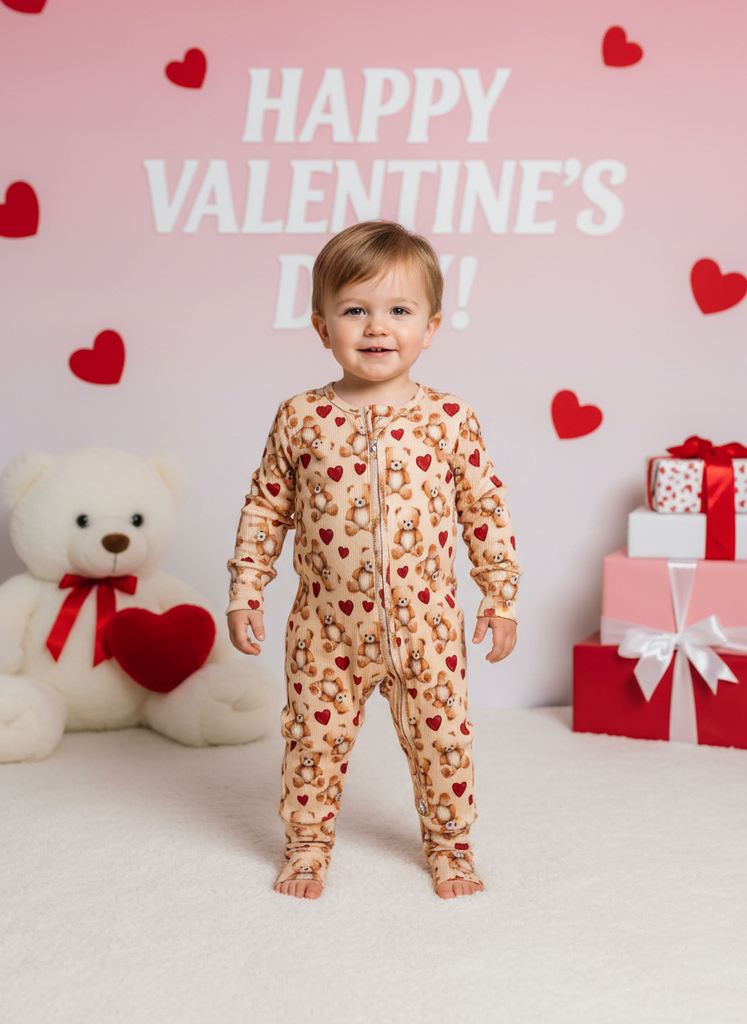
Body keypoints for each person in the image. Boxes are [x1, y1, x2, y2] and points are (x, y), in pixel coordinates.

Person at [227, 220, 521, 900]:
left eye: (399, 311)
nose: (377, 327)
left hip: (428, 627)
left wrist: (500, 596)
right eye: (355, 310)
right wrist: (246, 590)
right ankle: (306, 846)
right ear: (321, 326)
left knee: (443, 742)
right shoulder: (301, 417)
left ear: (431, 326)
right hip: (326, 628)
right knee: (312, 741)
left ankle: (450, 846)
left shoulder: (449, 418)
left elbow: (484, 510)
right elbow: (266, 508)